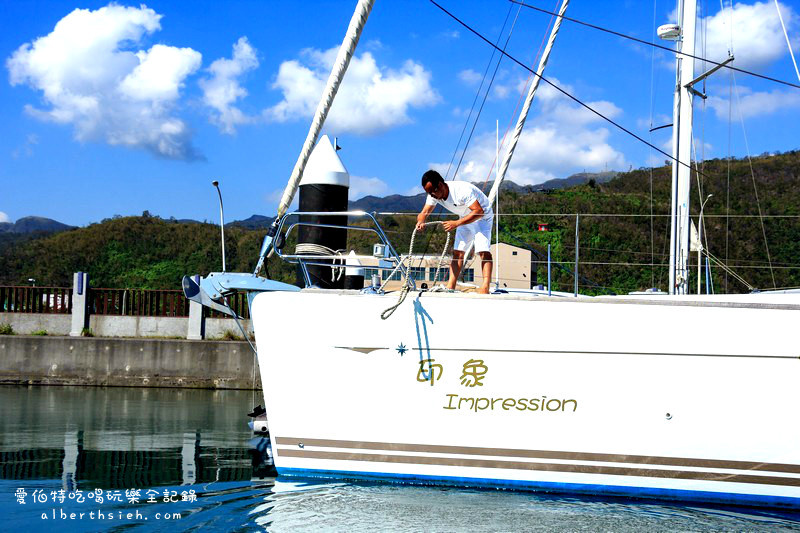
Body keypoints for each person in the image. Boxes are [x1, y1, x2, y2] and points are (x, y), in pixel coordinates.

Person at [416, 170, 494, 294]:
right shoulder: (433, 194)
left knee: (483, 251)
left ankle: (485, 287)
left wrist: (456, 223)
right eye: (429, 193)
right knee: (458, 252)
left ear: (441, 185)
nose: (432, 195)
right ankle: (451, 285)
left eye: (433, 191)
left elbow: (478, 211)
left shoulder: (461, 190)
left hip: (482, 216)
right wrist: (420, 222)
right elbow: (424, 212)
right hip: (464, 216)